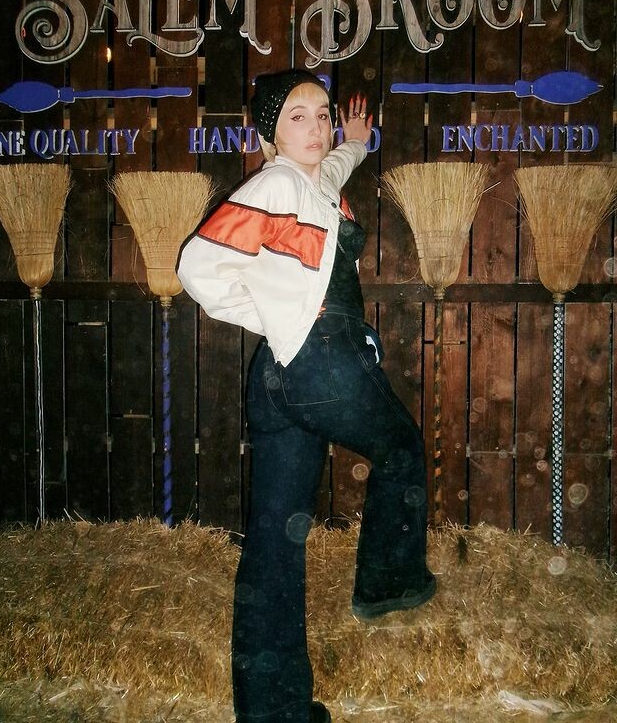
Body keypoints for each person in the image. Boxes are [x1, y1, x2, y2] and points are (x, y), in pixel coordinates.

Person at [177, 69, 435, 723]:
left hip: (280, 378)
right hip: (320, 360)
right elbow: (196, 267)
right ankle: (385, 585)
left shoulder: (313, 183)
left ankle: (273, 710)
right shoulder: (276, 184)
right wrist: (275, 317)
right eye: (299, 117)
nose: (317, 127)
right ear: (271, 131)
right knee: (402, 449)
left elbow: (332, 167)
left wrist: (356, 143)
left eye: (322, 115)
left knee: (274, 544)